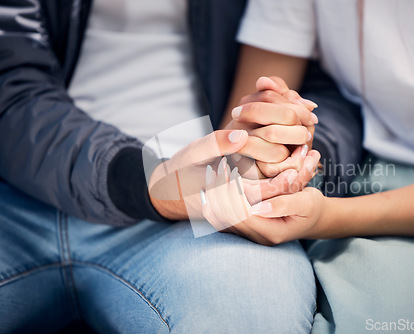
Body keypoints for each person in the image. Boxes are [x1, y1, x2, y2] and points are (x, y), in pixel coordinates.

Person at [0, 0, 364, 332]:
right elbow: (10, 87)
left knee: (253, 317)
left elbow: (340, 84)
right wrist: (149, 181)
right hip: (22, 197)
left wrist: (287, 158)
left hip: (204, 203)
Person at [207, 0, 414, 333]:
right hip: (378, 176)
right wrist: (266, 134)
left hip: (376, 203)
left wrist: (328, 217)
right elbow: (237, 135)